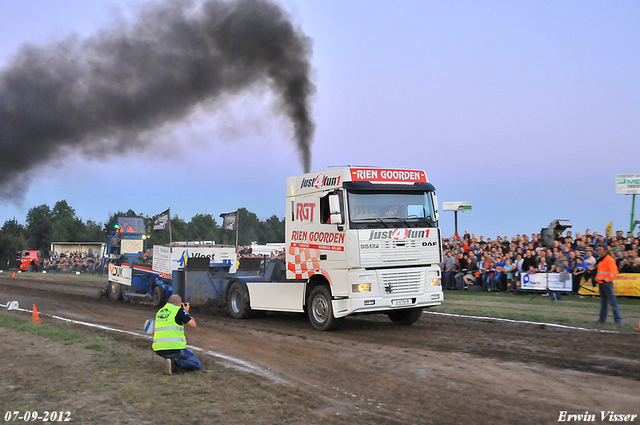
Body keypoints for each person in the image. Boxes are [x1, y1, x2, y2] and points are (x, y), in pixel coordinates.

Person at [153, 294, 201, 374]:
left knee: (173, 354)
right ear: (180, 304)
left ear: (168, 302)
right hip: (175, 348)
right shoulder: (179, 310)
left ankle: (170, 360)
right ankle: (175, 362)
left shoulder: (160, 311)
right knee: (196, 364)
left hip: (159, 349)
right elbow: (193, 324)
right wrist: (186, 312)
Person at [594, 245, 621, 325]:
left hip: (606, 283)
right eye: (598, 249)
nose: (598, 251)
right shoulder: (602, 260)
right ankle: (602, 319)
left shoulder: (609, 260)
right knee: (603, 303)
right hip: (602, 283)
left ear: (605, 251)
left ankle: (618, 320)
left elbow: (614, 272)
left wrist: (606, 280)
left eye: (600, 249)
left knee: (612, 302)